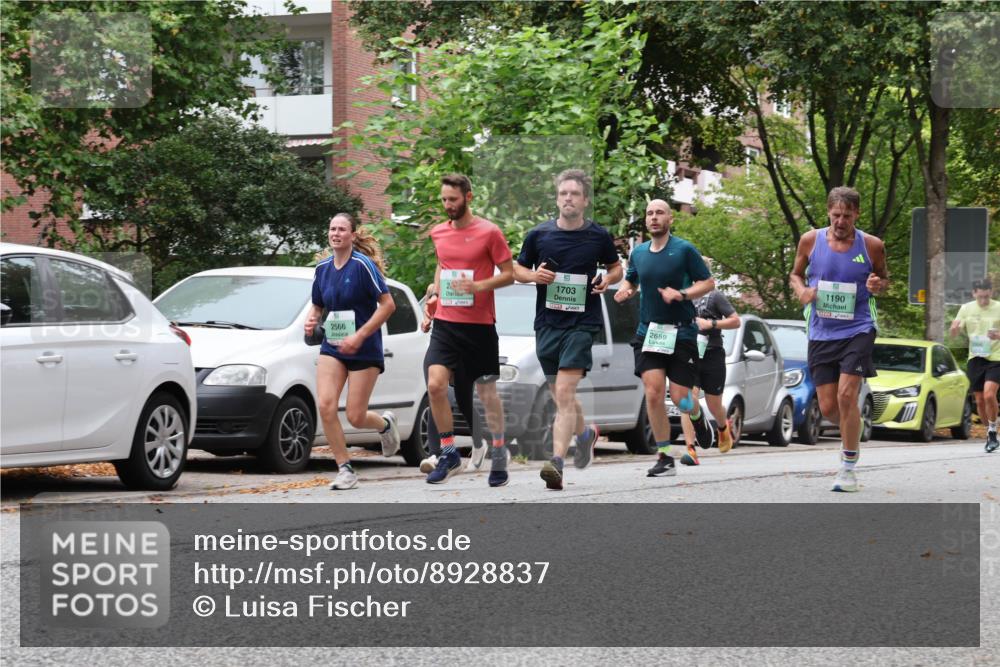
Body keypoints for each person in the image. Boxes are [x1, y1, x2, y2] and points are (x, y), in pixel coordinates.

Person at [513, 169, 623, 490]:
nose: (568, 199)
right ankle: (585, 434)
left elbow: (615, 267)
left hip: (582, 324)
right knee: (562, 395)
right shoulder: (539, 235)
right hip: (547, 324)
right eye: (563, 194)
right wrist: (534, 277)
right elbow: (517, 269)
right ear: (557, 198)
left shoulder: (598, 236)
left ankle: (556, 462)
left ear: (585, 200)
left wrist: (607, 280)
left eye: (574, 194)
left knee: (563, 392)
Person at [790, 186, 888, 493]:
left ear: (857, 214)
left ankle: (848, 467)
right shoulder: (811, 240)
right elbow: (795, 274)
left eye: (847, 216)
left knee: (847, 396)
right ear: (828, 212)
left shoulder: (871, 245)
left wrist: (876, 284)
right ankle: (852, 432)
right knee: (830, 407)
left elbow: (884, 279)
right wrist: (802, 291)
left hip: (858, 328)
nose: (840, 221)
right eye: (835, 215)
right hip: (821, 332)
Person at [419, 174, 515, 486]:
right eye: (444, 199)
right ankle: (448, 453)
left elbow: (509, 274)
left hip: (480, 326)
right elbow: (443, 264)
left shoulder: (489, 232)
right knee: (435, 385)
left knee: (486, 394)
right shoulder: (438, 233)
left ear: (468, 197)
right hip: (446, 323)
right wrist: (434, 293)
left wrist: (478, 286)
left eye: (454, 200)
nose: (448, 205)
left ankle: (498, 450)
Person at [614, 199, 716, 478]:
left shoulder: (684, 250)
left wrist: (681, 294)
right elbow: (632, 279)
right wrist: (625, 290)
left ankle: (696, 416)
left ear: (670, 219)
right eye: (650, 213)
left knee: (681, 397)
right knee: (654, 391)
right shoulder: (639, 252)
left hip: (681, 331)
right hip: (650, 332)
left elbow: (707, 283)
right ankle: (664, 456)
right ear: (646, 221)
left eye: (660, 213)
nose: (654, 217)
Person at [305, 213, 400, 490]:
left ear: (353, 235)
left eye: (342, 229)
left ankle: (383, 425)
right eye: (332, 228)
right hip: (333, 346)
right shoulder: (322, 269)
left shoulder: (363, 265)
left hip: (364, 347)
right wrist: (312, 319)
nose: (336, 233)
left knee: (356, 417)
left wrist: (359, 335)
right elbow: (317, 305)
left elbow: (388, 305)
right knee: (325, 404)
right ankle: (345, 468)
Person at [678, 257, 741, 465]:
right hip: (689, 353)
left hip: (712, 352)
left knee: (715, 405)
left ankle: (723, 427)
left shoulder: (715, 296)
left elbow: (736, 320)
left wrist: (711, 323)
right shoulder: (682, 296)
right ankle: (690, 449)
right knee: (687, 399)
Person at [949, 277, 1000, 453]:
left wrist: (998, 336)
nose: (984, 301)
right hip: (976, 357)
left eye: (987, 296)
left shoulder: (998, 307)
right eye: (980, 297)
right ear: (974, 294)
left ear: (991, 293)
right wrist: (954, 328)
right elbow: (954, 334)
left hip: (996, 357)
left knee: (988, 395)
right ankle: (990, 432)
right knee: (978, 399)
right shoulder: (966, 308)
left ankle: (993, 430)